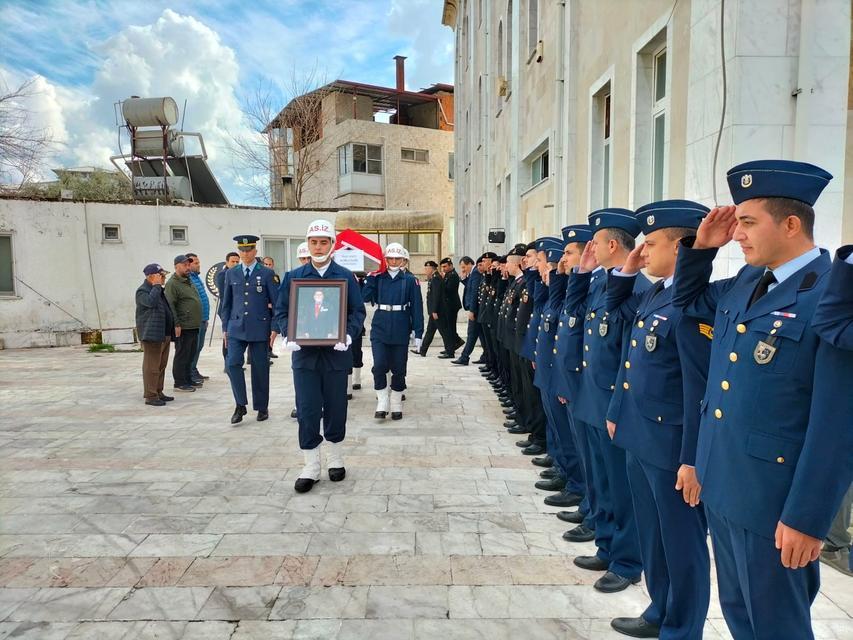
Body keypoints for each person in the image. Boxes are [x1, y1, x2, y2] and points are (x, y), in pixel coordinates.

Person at [671, 160, 853, 639]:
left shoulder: (833, 296)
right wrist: (701, 249)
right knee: (739, 615)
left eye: (748, 223)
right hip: (724, 487)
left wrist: (806, 519)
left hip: (776, 505)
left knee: (778, 627)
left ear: (791, 224)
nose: (739, 235)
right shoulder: (748, 283)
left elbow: (836, 424)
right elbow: (688, 305)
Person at [604, 200, 712, 639]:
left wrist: (692, 457)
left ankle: (682, 628)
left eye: (650, 244)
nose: (642, 251)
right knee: (654, 536)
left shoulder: (694, 301)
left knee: (682, 545)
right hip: (640, 436)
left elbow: (697, 387)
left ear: (683, 248)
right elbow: (623, 338)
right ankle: (659, 608)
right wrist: (617, 412)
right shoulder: (653, 293)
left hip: (671, 446)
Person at [566, 209, 650, 594]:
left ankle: (627, 561)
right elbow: (574, 313)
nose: (590, 249)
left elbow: (631, 361)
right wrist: (580, 275)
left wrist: (618, 407)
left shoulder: (637, 289)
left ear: (613, 244)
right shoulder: (602, 284)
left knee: (621, 489)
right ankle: (606, 544)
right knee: (600, 481)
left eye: (595, 243)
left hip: (614, 405)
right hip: (591, 398)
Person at [274, 219, 366, 493]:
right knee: (308, 408)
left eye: (323, 242)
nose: (318, 247)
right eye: (313, 242)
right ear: (308, 244)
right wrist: (287, 334)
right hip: (305, 357)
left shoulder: (345, 277)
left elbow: (356, 311)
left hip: (336, 356)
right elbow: (281, 311)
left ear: (333, 245)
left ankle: (335, 458)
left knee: (337, 407)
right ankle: (311, 465)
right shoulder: (293, 277)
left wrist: (348, 334)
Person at [219, 235, 279, 424]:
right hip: (236, 327)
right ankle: (240, 404)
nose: (245, 254)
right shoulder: (231, 273)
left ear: (255, 251)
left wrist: (274, 327)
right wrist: (225, 327)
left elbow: (276, 304)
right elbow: (226, 303)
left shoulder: (267, 274)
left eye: (249, 250)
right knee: (233, 364)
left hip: (260, 327)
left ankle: (261, 406)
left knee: (260, 368)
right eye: (242, 250)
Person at [363, 242, 424, 420]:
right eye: (390, 258)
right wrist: (370, 278)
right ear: (385, 259)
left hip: (400, 326)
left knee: (399, 368)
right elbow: (365, 298)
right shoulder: (378, 277)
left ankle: (396, 402)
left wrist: (418, 332)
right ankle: (382, 401)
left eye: (398, 258)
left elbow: (417, 308)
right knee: (379, 365)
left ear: (404, 260)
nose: (394, 261)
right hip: (380, 325)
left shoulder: (410, 281)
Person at [135, 263, 175, 406]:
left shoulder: (157, 290)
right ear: (151, 277)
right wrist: (157, 286)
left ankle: (158, 391)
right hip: (151, 335)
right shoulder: (143, 291)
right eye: (161, 275)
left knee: (161, 365)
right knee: (151, 366)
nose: (164, 278)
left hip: (163, 333)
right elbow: (151, 303)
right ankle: (150, 395)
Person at [164, 254, 203, 392]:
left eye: (188, 265)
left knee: (191, 354)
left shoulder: (188, 281)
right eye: (185, 265)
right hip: (183, 326)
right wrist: (176, 324)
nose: (188, 267)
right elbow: (170, 305)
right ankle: (179, 382)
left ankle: (188, 379)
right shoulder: (172, 284)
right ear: (176, 266)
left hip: (193, 324)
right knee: (182, 354)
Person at [290, 242, 313, 420]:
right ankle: (299, 404)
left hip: (320, 332)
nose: (306, 261)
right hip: (300, 332)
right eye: (303, 258)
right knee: (300, 372)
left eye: (308, 257)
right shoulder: (293, 277)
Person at [452, 255, 483, 365]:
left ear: (470, 264)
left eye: (464, 267)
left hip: (475, 310)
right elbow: (470, 286)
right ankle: (486, 356)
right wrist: (464, 279)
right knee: (481, 334)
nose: (463, 269)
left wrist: (472, 310)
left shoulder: (475, 273)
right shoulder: (473, 274)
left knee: (472, 334)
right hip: (476, 310)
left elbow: (474, 292)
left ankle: (464, 357)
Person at [185, 253, 210, 384]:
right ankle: (189, 372)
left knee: (199, 347)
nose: (198, 265)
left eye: (198, 262)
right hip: (194, 320)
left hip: (202, 319)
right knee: (193, 348)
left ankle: (193, 369)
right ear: (188, 264)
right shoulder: (188, 279)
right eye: (196, 263)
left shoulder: (196, 278)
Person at [215, 251, 240, 372]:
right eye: (232, 262)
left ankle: (234, 361)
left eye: (237, 262)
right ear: (227, 262)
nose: (235, 264)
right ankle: (227, 363)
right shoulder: (223, 275)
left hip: (237, 311)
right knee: (228, 336)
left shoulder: (239, 273)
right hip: (227, 310)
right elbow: (224, 296)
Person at [437, 257, 464, 358]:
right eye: (442, 267)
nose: (443, 269)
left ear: (451, 266)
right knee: (450, 328)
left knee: (450, 328)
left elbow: (448, 290)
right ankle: (453, 345)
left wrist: (442, 280)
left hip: (451, 306)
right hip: (448, 305)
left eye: (445, 266)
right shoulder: (448, 275)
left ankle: (450, 350)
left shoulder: (452, 276)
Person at [414, 260, 441, 356]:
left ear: (431, 268)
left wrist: (434, 310)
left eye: (426, 268)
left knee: (444, 331)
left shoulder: (436, 278)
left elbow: (436, 296)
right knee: (431, 331)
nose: (425, 270)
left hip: (436, 311)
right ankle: (422, 350)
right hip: (433, 311)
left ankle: (452, 347)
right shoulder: (432, 278)